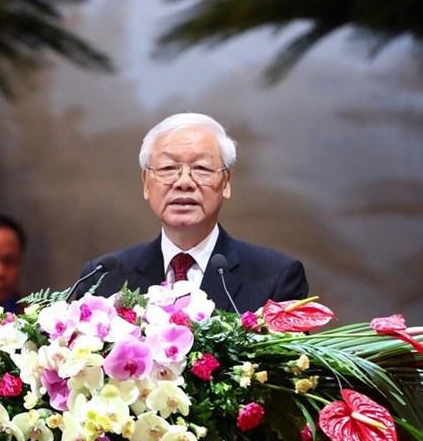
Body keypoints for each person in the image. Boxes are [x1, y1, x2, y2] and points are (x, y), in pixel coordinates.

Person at [78, 112, 308, 311]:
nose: (184, 182)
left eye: (201, 168)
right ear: (146, 183)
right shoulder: (102, 278)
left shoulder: (276, 277)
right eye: (168, 168)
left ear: (226, 182)